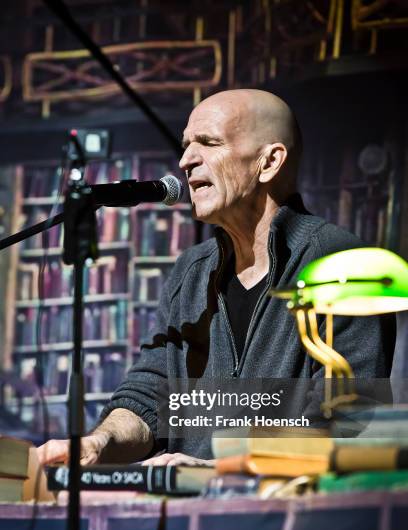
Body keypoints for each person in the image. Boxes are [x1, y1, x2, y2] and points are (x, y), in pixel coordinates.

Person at [37, 88, 395, 468]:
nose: (186, 160)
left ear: (269, 162)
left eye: (208, 143)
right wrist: (100, 442)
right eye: (186, 145)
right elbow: (150, 397)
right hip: (185, 518)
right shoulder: (191, 273)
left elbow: (348, 423)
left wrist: (216, 468)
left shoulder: (346, 265)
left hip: (290, 517)